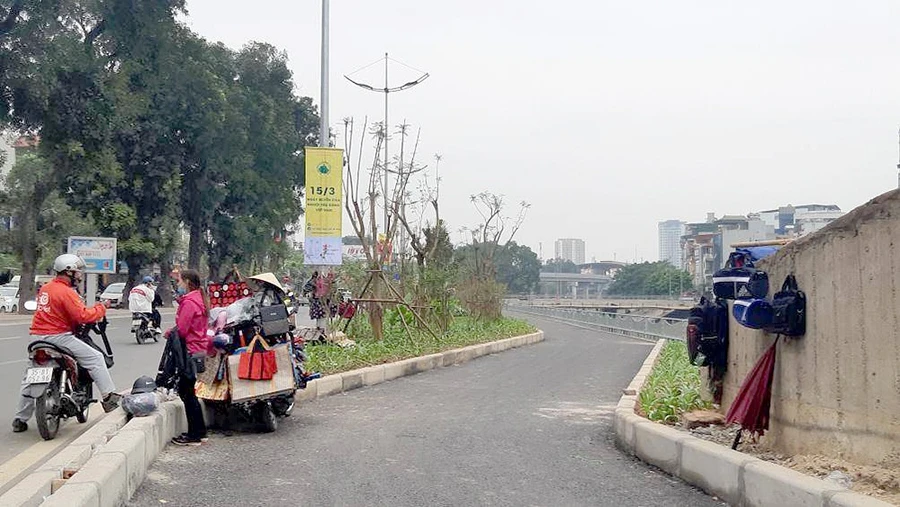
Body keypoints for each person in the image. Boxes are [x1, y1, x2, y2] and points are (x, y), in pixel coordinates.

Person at [12, 254, 120, 433]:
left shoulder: (46, 288)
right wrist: (102, 307)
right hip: (59, 337)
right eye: (78, 272)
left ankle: (20, 419)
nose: (79, 275)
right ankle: (109, 398)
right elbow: (82, 316)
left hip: (37, 338)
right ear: (69, 271)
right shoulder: (67, 292)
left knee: (29, 377)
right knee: (95, 358)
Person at [170, 269, 210, 446]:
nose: (178, 285)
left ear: (187, 282)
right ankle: (200, 432)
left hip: (189, 350)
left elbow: (183, 329)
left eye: (179, 281)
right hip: (198, 349)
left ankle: (195, 435)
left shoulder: (190, 302)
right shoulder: (199, 299)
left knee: (187, 392)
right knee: (189, 391)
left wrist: (173, 332)